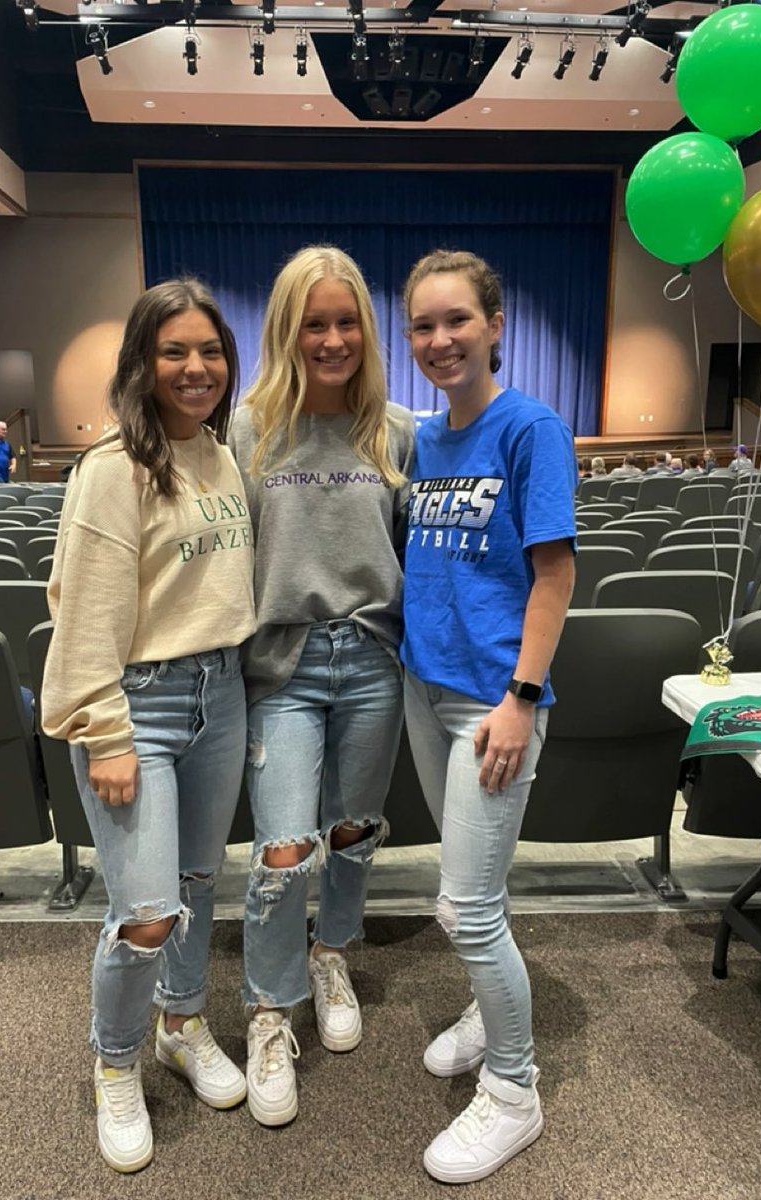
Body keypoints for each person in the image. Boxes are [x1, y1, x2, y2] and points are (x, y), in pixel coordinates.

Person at [41, 279, 257, 1173]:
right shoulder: (111, 471)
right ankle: (115, 1062)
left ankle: (182, 1024)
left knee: (199, 885)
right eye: (175, 351)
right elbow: (83, 610)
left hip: (223, 694)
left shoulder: (220, 454)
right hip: (142, 705)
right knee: (143, 913)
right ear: (142, 362)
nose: (195, 367)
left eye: (209, 351)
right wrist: (106, 730)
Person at [227, 245, 415, 1128]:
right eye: (316, 324)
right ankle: (270, 1011)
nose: (332, 338)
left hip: (372, 660)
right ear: (287, 330)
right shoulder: (249, 428)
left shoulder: (397, 431)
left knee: (351, 832)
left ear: (365, 332)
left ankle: (331, 952)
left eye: (347, 323)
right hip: (285, 669)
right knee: (282, 848)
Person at [400, 250, 576, 1184]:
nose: (439, 340)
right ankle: (486, 1008)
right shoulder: (426, 440)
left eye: (457, 320)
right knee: (477, 894)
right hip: (424, 692)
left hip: (491, 700)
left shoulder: (530, 427)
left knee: (463, 906)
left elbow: (555, 574)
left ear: (496, 324)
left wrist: (520, 698)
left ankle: (515, 1089)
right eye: (423, 325)